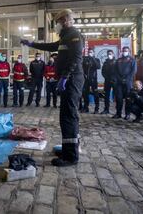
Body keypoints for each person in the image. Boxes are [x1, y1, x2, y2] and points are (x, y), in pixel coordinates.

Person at [21, 9, 84, 166]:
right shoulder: (65, 37)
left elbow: (76, 58)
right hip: (69, 80)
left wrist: (65, 77)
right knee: (66, 116)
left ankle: (70, 157)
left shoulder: (74, 35)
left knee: (69, 116)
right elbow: (51, 46)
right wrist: (32, 44)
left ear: (64, 21)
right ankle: (69, 149)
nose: (56, 26)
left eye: (57, 23)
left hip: (72, 80)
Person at [113, 46, 137, 120]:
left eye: (126, 51)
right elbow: (115, 71)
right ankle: (118, 113)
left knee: (128, 98)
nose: (124, 52)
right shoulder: (118, 60)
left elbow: (133, 71)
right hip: (119, 82)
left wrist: (126, 79)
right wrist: (119, 79)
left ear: (129, 51)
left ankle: (127, 114)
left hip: (128, 82)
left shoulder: (132, 60)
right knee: (119, 98)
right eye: (123, 51)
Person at [80, 48, 101, 114]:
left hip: (93, 80)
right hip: (86, 80)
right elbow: (81, 68)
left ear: (93, 53)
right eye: (89, 52)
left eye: (91, 52)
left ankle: (96, 109)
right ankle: (86, 107)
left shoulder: (96, 59)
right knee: (85, 94)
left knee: (95, 94)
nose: (90, 53)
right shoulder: (85, 59)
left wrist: (93, 58)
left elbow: (98, 66)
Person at [101, 50, 116, 114]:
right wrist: (106, 77)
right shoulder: (105, 62)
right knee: (106, 96)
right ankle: (106, 109)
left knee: (117, 96)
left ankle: (118, 111)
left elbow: (119, 71)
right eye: (108, 54)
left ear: (113, 54)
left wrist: (114, 78)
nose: (109, 55)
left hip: (115, 81)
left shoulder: (116, 62)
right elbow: (103, 72)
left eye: (110, 54)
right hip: (107, 81)